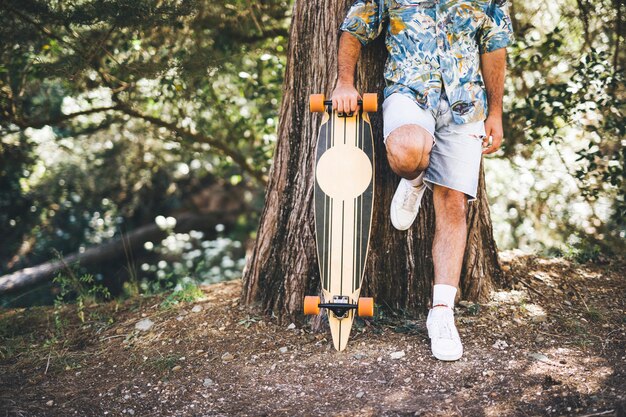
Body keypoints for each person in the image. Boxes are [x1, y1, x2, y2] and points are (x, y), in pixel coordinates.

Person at [333, 0, 514, 361]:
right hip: (409, 94)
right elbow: (354, 28)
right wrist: (344, 82)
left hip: (467, 106)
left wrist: (495, 112)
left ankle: (442, 313)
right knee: (406, 151)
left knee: (454, 204)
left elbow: (495, 45)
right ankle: (416, 178)